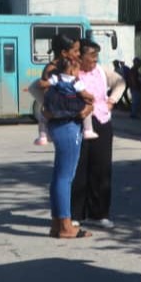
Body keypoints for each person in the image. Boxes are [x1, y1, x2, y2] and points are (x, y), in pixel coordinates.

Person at [70, 39, 126, 230]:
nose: (95, 60)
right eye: (91, 56)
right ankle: (76, 214)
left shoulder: (102, 71)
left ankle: (99, 213)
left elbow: (121, 82)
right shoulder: (72, 72)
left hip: (102, 122)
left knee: (101, 169)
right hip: (79, 123)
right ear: (80, 56)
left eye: (96, 56)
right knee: (79, 169)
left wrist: (112, 101)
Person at [44, 55, 95, 239]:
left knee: (59, 176)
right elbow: (85, 103)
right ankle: (66, 225)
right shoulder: (72, 84)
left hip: (58, 127)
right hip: (69, 127)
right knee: (65, 178)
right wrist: (87, 107)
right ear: (72, 69)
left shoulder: (53, 82)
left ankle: (56, 223)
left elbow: (44, 104)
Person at [29, 34, 80, 146]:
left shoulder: (70, 65)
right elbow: (49, 96)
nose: (78, 54)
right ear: (64, 53)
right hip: (62, 120)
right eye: (75, 51)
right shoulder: (51, 69)